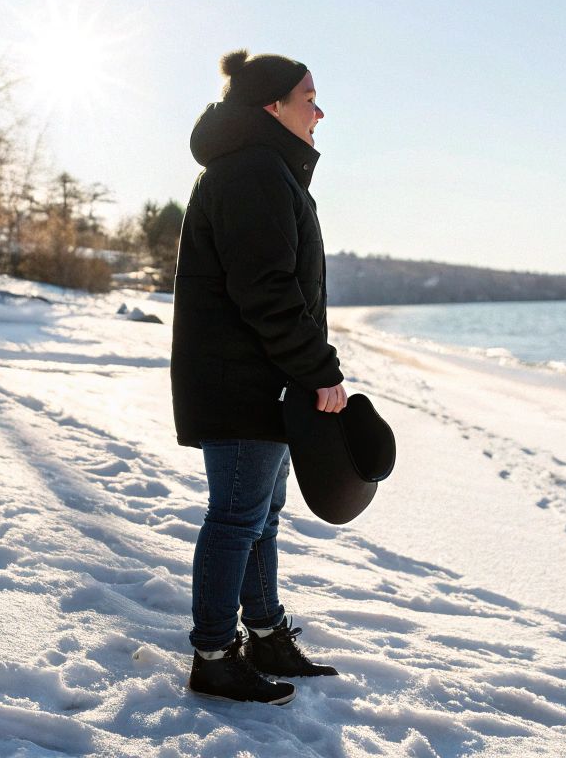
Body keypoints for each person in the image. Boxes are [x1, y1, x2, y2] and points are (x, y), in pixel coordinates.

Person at [171, 48, 347, 705]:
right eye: (310, 97)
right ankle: (215, 656)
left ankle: (266, 633)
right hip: (241, 380)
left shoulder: (263, 169)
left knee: (262, 514)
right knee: (239, 516)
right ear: (273, 105)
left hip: (258, 379)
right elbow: (267, 292)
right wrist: (320, 372)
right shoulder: (253, 174)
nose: (320, 110)